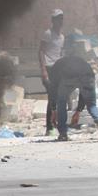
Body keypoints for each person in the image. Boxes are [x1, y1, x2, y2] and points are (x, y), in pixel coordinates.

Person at [49, 54, 98, 141]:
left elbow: (53, 91)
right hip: (88, 74)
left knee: (61, 102)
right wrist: (78, 111)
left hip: (68, 76)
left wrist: (53, 110)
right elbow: (83, 94)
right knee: (91, 105)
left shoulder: (54, 70)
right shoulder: (79, 61)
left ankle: (63, 133)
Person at [39, 9, 64, 137]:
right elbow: (41, 51)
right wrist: (43, 70)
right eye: (56, 18)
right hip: (48, 68)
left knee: (59, 98)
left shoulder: (62, 37)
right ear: (53, 20)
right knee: (52, 97)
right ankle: (49, 127)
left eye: (61, 18)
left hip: (58, 69)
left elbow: (60, 54)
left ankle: (57, 124)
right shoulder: (48, 34)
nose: (59, 21)